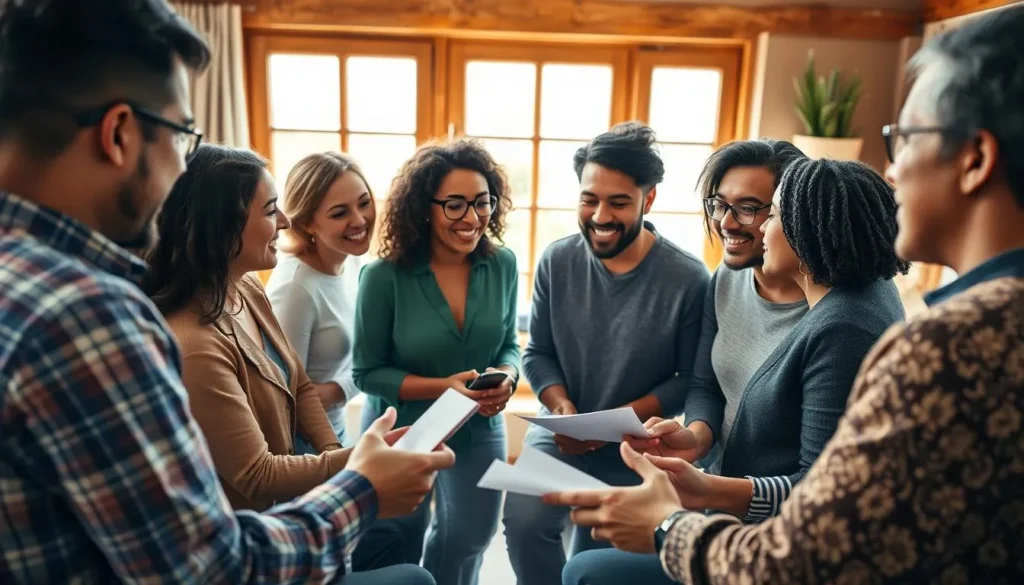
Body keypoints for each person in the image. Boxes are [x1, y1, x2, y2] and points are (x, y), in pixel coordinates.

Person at [547, 6, 1024, 584]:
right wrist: (699, 453)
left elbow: (809, 548)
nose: (891, 173)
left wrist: (671, 523)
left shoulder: (941, 344)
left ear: (975, 158)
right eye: (722, 205)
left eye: (908, 139)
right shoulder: (726, 280)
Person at [0, 1, 450, 583]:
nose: (179, 170)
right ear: (119, 134)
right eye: (183, 135)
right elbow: (211, 565)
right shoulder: (87, 313)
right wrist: (361, 487)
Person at [562, 155, 909, 584]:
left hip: (774, 545)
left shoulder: (844, 327)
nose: (759, 228)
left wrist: (704, 495)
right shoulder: (850, 294)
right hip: (732, 506)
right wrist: (699, 449)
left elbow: (819, 495)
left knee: (585, 571)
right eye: (719, 205)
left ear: (809, 225)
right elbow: (706, 384)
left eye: (769, 213)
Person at [502, 122, 710, 585]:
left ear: (648, 199)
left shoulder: (689, 278)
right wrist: (563, 409)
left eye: (618, 202)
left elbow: (688, 379)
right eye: (589, 199)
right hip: (561, 432)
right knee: (523, 520)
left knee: (601, 552)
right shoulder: (557, 261)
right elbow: (538, 353)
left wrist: (615, 422)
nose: (599, 215)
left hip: (637, 446)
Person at [142, 144, 353, 511]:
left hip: (289, 506)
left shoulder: (245, 286)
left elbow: (299, 383)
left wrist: (334, 453)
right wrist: (360, 460)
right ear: (223, 226)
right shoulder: (195, 346)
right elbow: (258, 476)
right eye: (271, 210)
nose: (286, 222)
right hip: (251, 534)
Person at [351, 138, 521, 585]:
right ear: (424, 208)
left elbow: (509, 344)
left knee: (470, 536)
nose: (472, 217)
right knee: (399, 537)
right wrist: (442, 387)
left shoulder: (502, 264)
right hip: (406, 425)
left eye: (483, 202)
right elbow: (366, 373)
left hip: (480, 424)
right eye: (455, 205)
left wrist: (508, 374)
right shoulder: (382, 276)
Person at [266, 152, 375, 451]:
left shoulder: (354, 261)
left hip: (337, 428)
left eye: (364, 203)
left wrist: (339, 390)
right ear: (308, 224)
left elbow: (369, 354)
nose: (359, 220)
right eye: (340, 213)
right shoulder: (296, 289)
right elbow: (284, 399)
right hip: (304, 443)